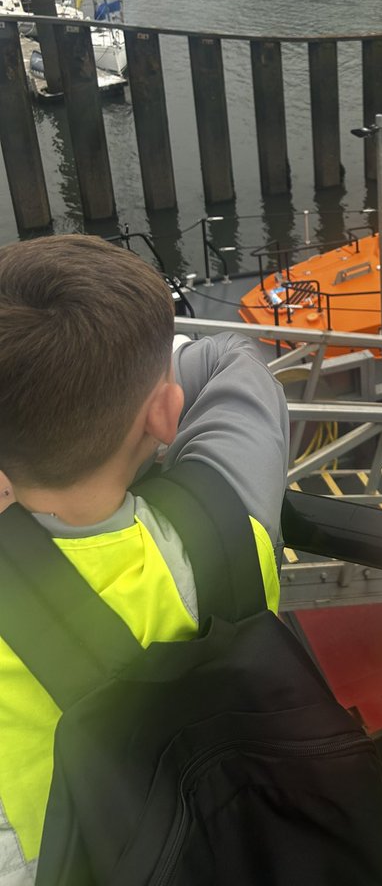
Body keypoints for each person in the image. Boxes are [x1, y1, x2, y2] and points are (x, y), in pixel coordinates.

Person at [0, 234, 289, 883]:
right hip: (233, 843)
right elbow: (229, 363)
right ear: (165, 415)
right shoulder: (230, 517)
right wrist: (127, 373)